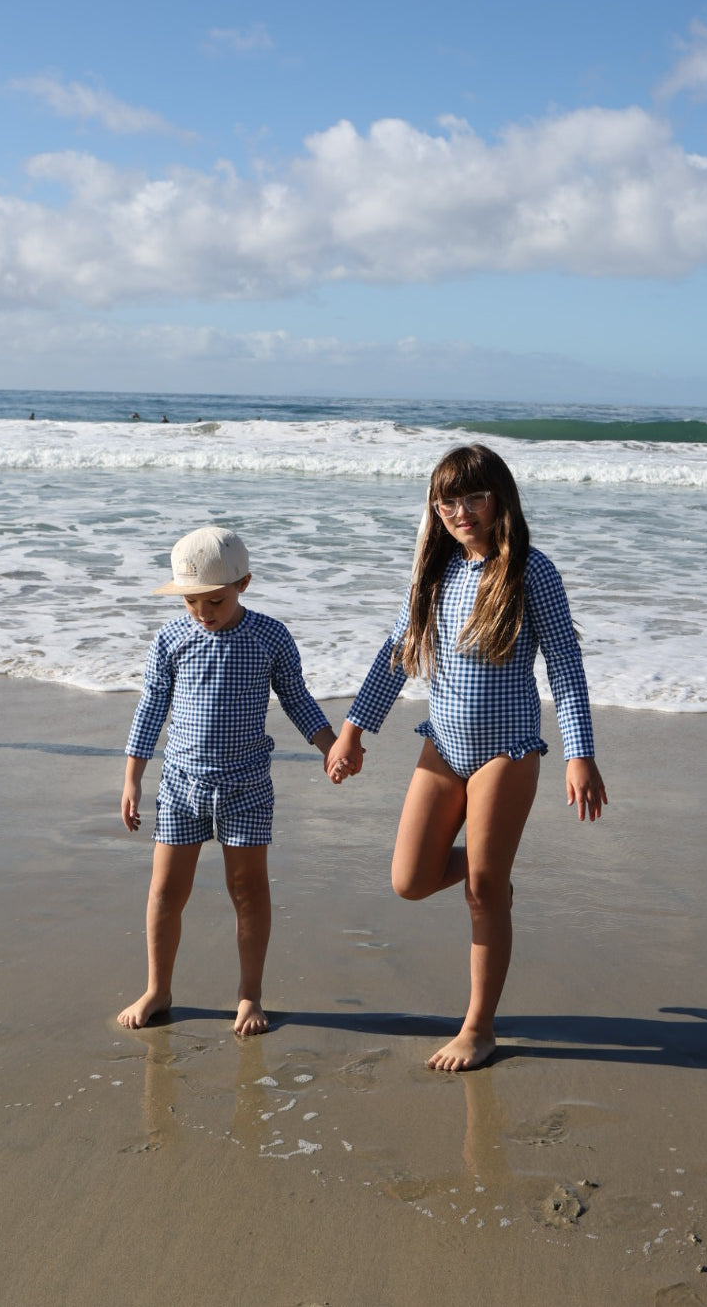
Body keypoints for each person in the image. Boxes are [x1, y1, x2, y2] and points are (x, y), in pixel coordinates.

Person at [327, 444, 606, 1072]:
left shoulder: (531, 572)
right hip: (443, 745)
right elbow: (396, 652)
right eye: (447, 500)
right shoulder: (434, 573)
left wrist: (579, 754)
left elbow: (565, 664)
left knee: (481, 893)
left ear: (499, 499)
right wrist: (353, 729)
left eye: (473, 497)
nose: (460, 511)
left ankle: (479, 1027)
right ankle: (492, 868)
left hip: (508, 749)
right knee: (411, 880)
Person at [118, 525, 337, 1035]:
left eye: (214, 600)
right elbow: (151, 708)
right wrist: (132, 780)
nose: (203, 612)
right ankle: (158, 988)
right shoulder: (171, 638)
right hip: (179, 786)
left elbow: (297, 699)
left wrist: (331, 747)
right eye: (191, 602)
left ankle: (249, 994)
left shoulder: (270, 636)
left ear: (244, 584)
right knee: (165, 893)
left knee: (247, 891)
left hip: (246, 786)